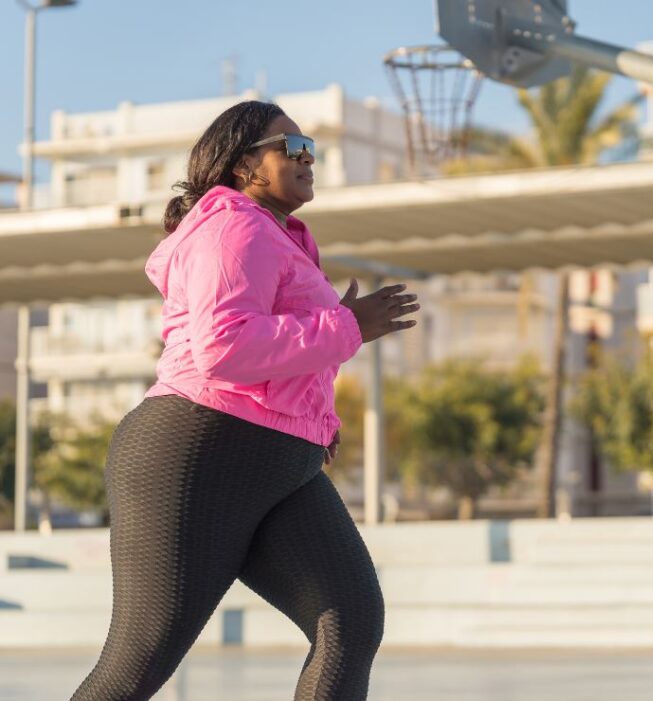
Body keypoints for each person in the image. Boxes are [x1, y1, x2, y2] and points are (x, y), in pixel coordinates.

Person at [71, 100, 417, 700]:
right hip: (197, 448)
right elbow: (224, 348)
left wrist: (338, 336)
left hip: (275, 460)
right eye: (293, 146)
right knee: (137, 663)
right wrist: (348, 326)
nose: (309, 157)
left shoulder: (277, 237)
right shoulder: (232, 225)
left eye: (310, 146)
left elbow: (279, 358)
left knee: (350, 620)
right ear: (242, 165)